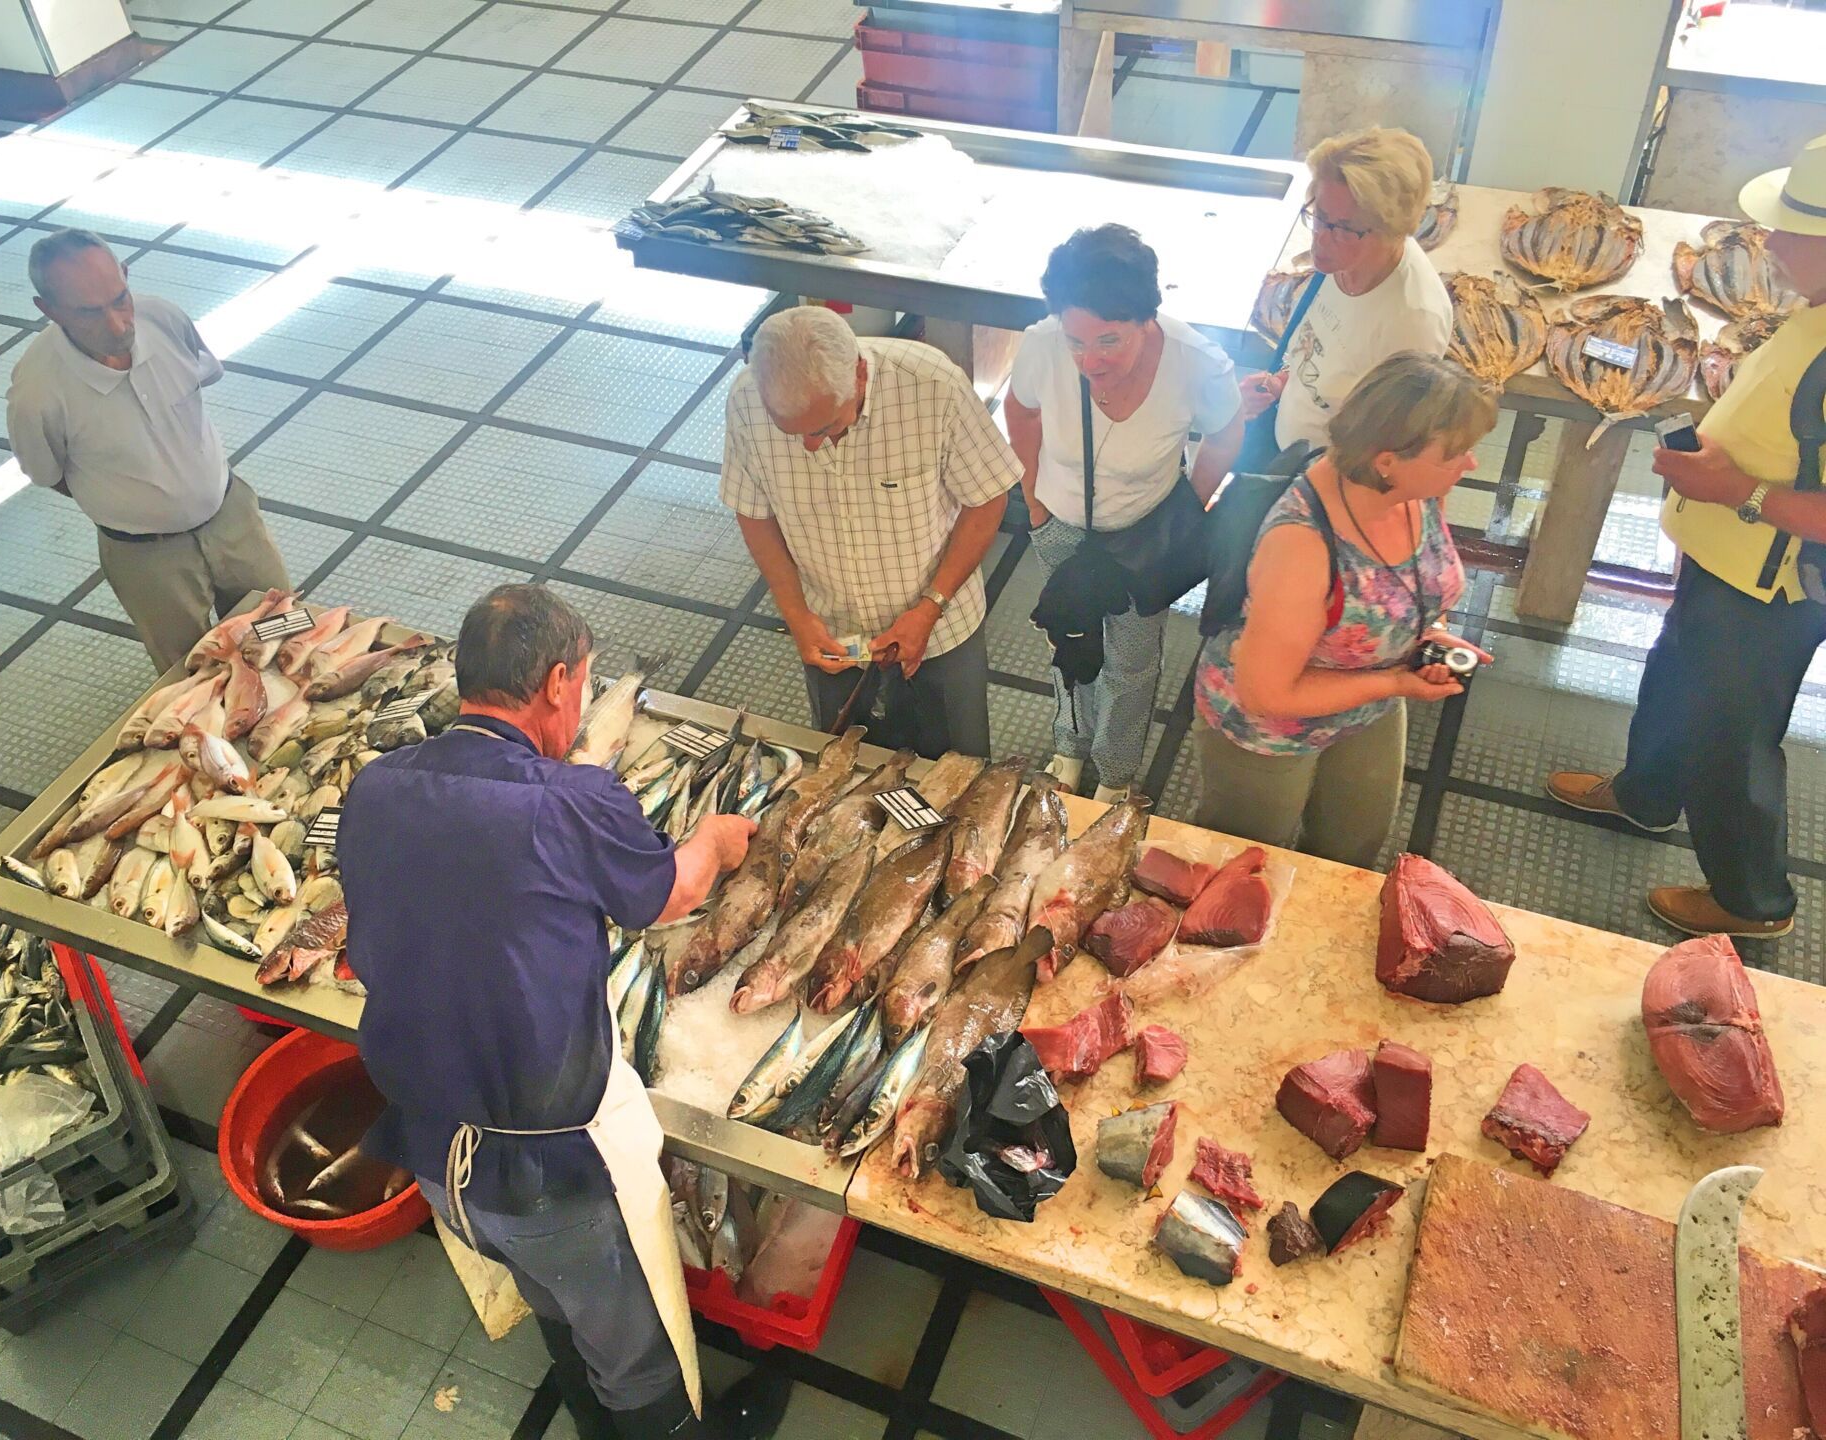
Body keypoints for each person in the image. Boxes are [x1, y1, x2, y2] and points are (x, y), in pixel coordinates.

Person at [339, 584, 787, 1440]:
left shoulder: (377, 785)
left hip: (431, 1147)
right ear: (556, 685)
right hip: (555, 1172)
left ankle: (591, 1419)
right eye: (583, 681)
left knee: (554, 1302)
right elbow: (671, 893)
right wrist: (719, 843)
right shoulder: (569, 799)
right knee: (634, 1345)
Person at [1547, 133, 1826, 939]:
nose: (1771, 243)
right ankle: (1645, 794)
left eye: (1795, 230)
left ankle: (1752, 901)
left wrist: (1733, 487)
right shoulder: (1814, 304)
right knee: (1676, 673)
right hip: (1725, 554)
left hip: (1769, 586)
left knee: (1732, 737)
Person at [1194, 354, 1496, 867]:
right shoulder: (1302, 546)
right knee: (1240, 866)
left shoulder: (1415, 491)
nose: (1471, 465)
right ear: (1387, 460)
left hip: (1368, 705)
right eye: (1457, 453)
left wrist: (1428, 632)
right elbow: (1266, 694)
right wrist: (1398, 682)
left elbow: (1417, 581)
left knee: (1350, 852)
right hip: (1271, 732)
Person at [1005, 224, 1244, 802]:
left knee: (1133, 662)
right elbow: (1021, 411)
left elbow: (1227, 429)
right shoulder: (1043, 344)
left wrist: (1190, 505)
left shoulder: (1195, 362)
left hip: (1145, 537)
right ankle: (1069, 745)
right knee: (1069, 637)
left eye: (1109, 340)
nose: (1090, 360)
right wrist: (1034, 499)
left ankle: (1116, 772)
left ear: (1146, 318)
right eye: (1077, 341)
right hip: (1060, 524)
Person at [722, 305, 1021, 758]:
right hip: (830, 630)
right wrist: (796, 613)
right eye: (792, 432)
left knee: (957, 771)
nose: (808, 445)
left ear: (859, 375)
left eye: (822, 428)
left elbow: (987, 499)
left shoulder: (934, 386)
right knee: (842, 768)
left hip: (939, 628)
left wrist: (929, 607)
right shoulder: (746, 399)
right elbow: (753, 512)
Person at [5, 228, 289, 673]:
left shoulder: (165, 319)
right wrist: (139, 506)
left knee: (282, 630)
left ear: (125, 273)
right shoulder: (36, 394)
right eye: (89, 312)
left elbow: (201, 377)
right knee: (191, 670)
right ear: (48, 309)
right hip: (145, 556)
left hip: (231, 514)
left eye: (120, 298)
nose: (117, 325)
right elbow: (49, 473)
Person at [1240, 127, 1455, 453]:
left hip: (1320, 481)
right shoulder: (1339, 261)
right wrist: (1282, 380)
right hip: (1281, 449)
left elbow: (1388, 446)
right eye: (1320, 217)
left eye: (1342, 229)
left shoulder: (1413, 319)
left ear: (1390, 230)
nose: (1321, 240)